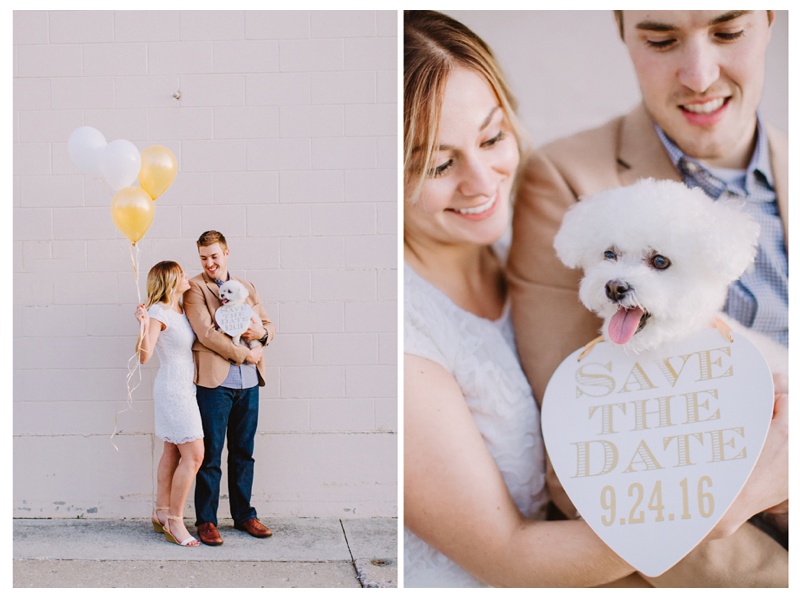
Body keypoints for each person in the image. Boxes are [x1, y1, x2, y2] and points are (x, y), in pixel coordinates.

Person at [403, 10, 788, 588]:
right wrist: (731, 500)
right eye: (437, 163)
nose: (483, 182)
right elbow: (511, 553)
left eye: (492, 136)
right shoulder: (405, 330)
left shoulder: (508, 234)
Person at [183, 230, 276, 546]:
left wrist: (262, 338)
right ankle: (206, 520)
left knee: (243, 452)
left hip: (249, 382)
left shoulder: (246, 287)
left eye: (214, 256)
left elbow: (268, 325)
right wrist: (245, 352)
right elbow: (207, 333)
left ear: (226, 253)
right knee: (209, 454)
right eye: (203, 257)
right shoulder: (195, 288)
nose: (209, 263)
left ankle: (244, 516)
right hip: (214, 383)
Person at [135, 261, 205, 547]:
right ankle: (175, 520)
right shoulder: (157, 312)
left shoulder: (178, 309)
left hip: (184, 387)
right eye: (181, 274)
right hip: (173, 390)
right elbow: (144, 356)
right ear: (170, 280)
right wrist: (142, 325)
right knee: (195, 455)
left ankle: (161, 512)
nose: (187, 276)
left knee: (172, 452)